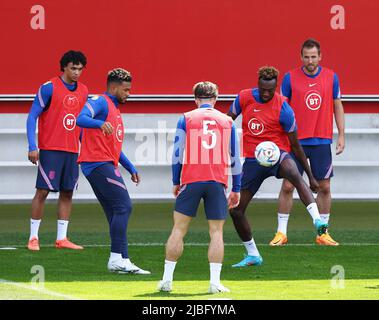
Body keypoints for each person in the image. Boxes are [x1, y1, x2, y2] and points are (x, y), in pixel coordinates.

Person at [227, 66, 329, 267]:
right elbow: (227, 120)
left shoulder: (283, 107)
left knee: (294, 175)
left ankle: (318, 221)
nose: (266, 94)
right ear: (258, 84)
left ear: (276, 88)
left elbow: (295, 145)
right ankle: (253, 255)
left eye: (270, 90)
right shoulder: (244, 98)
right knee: (235, 211)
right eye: (263, 89)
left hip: (278, 154)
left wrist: (311, 176)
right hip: (253, 160)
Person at [158, 81, 241, 293]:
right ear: (215, 99)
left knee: (178, 229)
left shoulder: (186, 118)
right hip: (216, 181)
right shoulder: (227, 121)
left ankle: (167, 280)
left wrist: (176, 181)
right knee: (216, 232)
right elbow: (235, 158)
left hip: (192, 180)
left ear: (196, 99)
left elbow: (177, 153)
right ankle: (214, 282)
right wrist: (237, 188)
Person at [270, 38, 345, 246]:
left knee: (325, 187)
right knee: (287, 186)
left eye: (314, 57)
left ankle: (323, 234)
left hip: (321, 140)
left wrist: (341, 134)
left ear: (320, 57)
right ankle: (281, 233)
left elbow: (337, 106)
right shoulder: (289, 78)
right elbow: (281, 109)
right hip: (295, 142)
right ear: (301, 57)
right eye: (307, 57)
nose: (310, 61)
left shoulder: (331, 77)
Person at [76, 68, 150, 275]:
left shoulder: (115, 110)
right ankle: (116, 258)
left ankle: (122, 260)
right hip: (97, 163)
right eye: (126, 89)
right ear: (114, 87)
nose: (129, 93)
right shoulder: (100, 101)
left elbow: (113, 148)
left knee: (115, 212)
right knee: (124, 206)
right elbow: (79, 119)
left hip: (104, 162)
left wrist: (130, 167)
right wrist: (99, 123)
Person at [26, 50, 88, 251]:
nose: (77, 72)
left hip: (72, 151)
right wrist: (32, 146)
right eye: (73, 68)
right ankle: (33, 237)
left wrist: (84, 149)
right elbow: (31, 116)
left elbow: (81, 123)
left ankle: (62, 238)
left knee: (68, 192)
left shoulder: (84, 91)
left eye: (80, 69)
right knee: (42, 191)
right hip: (51, 149)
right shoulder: (49, 88)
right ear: (64, 67)